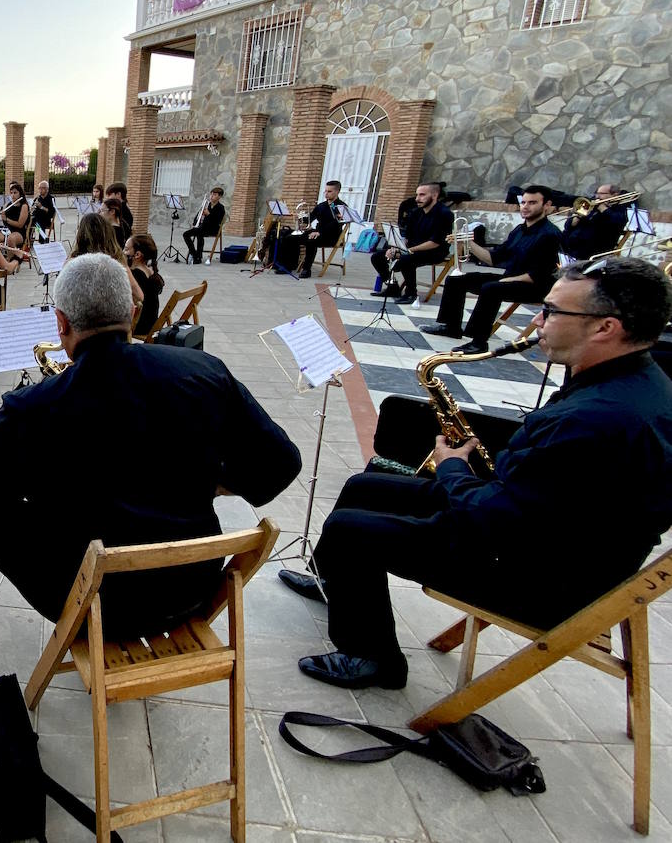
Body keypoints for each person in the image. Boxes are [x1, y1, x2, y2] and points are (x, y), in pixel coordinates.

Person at [281, 258, 672, 689]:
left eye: (552, 311)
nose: (538, 320)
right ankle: (332, 580)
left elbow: (495, 519)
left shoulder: (600, 417)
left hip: (544, 575)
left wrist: (451, 468)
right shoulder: (637, 382)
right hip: (559, 532)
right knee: (365, 485)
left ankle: (373, 658)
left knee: (351, 530)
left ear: (605, 328)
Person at [0, 253, 301, 634]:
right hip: (190, 591)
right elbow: (280, 466)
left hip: (92, 603)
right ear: (132, 313)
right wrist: (213, 480)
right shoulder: (206, 372)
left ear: (60, 323)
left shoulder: (30, 406)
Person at [421, 186, 563, 353]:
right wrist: (466, 242)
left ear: (546, 205)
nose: (525, 206)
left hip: (536, 286)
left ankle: (479, 342)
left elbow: (537, 275)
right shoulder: (519, 230)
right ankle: (452, 328)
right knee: (456, 280)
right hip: (512, 279)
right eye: (523, 202)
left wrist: (504, 280)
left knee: (491, 289)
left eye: (532, 203)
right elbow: (493, 258)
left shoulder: (550, 235)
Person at [372, 182, 453, 304]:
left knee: (406, 260)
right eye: (417, 195)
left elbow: (435, 242)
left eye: (422, 195)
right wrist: (395, 248)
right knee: (377, 257)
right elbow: (407, 237)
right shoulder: (416, 212)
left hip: (435, 251)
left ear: (435, 195)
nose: (417, 199)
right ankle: (392, 287)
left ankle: (411, 293)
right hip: (412, 249)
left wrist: (408, 251)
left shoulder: (444, 214)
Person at [282, 181, 347, 279]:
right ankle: (289, 266)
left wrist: (319, 232)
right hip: (317, 232)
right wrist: (300, 217)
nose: (326, 193)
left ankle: (306, 269)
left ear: (337, 192)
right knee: (290, 237)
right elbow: (310, 218)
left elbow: (335, 224)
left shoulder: (341, 207)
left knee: (311, 241)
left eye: (329, 191)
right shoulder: (321, 206)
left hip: (331, 236)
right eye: (325, 191)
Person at [563, 184, 630, 259]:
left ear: (614, 195)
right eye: (597, 193)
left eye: (601, 194)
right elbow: (567, 226)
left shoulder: (620, 209)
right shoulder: (592, 205)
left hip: (594, 250)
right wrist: (578, 217)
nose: (597, 196)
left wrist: (603, 208)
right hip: (573, 246)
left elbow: (618, 222)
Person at [126, 233, 165, 338]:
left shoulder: (135, 274)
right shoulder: (150, 272)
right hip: (152, 324)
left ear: (137, 255)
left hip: (140, 325)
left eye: (126, 249)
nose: (123, 252)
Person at [184, 187, 226, 264]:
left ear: (219, 197)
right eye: (212, 194)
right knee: (186, 234)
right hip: (202, 227)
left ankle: (198, 257)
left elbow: (217, 221)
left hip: (213, 229)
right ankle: (194, 253)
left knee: (199, 233)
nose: (212, 196)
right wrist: (195, 223)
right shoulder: (207, 205)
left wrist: (209, 214)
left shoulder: (220, 208)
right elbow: (198, 215)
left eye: (215, 194)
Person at [0, 182, 31, 248]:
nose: (13, 195)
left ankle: (12, 257)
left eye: (15, 193)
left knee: (10, 239)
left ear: (20, 194)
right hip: (7, 230)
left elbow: (20, 225)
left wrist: (6, 219)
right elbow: (3, 222)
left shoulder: (24, 206)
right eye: (11, 193)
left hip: (19, 232)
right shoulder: (8, 204)